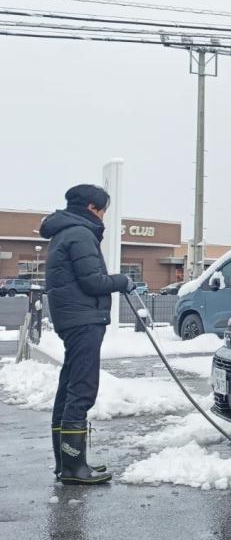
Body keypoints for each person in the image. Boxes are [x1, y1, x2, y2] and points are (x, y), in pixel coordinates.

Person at [40, 184, 135, 485]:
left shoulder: (63, 232)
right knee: (82, 389)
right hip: (83, 319)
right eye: (103, 209)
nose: (104, 216)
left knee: (69, 387)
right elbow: (93, 281)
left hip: (72, 318)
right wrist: (122, 280)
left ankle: (66, 463)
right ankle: (74, 468)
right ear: (93, 208)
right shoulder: (80, 233)